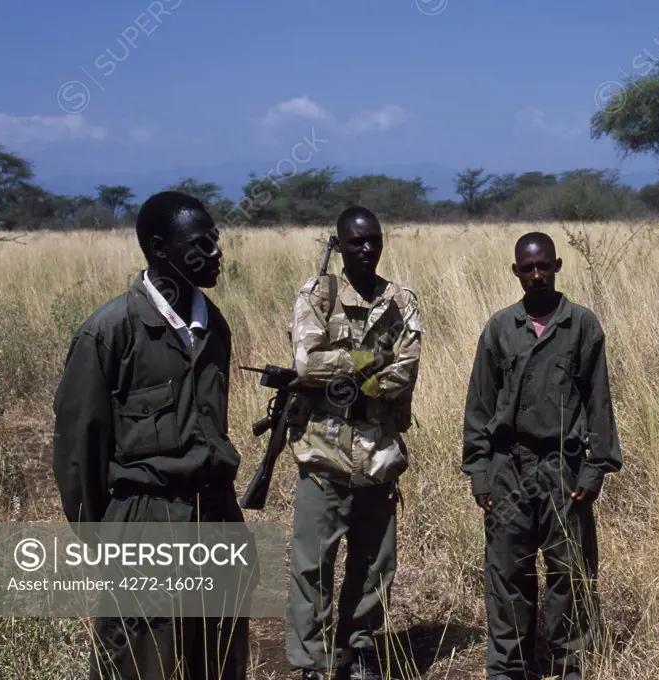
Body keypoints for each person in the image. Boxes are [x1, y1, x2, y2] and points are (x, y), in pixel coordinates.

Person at [51, 190, 251, 679]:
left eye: (216, 241)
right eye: (200, 245)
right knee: (143, 662)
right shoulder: (109, 332)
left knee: (218, 656)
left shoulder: (213, 326)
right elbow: (79, 457)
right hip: (146, 519)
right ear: (161, 249)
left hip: (217, 515)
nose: (215, 253)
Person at [461, 232, 622, 680]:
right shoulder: (499, 328)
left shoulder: (581, 325)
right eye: (527, 268)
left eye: (544, 266)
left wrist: (597, 467)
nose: (537, 275)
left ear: (557, 266)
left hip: (563, 467)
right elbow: (479, 404)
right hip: (508, 468)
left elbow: (599, 403)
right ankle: (509, 668)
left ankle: (569, 665)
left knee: (569, 575)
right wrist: (479, 472)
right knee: (507, 576)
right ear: (516, 272)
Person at [284, 206, 423, 680]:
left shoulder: (401, 301)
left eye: (373, 240)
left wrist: (347, 373)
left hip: (379, 453)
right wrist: (367, 361)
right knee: (312, 566)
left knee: (375, 564)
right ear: (338, 246)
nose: (366, 249)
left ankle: (358, 648)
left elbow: (405, 370)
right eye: (355, 241)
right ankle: (311, 661)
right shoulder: (316, 295)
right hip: (323, 452)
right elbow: (306, 364)